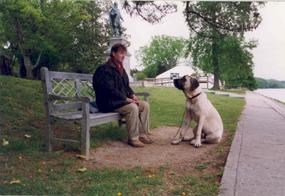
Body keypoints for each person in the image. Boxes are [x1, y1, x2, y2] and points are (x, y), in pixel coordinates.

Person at [93, 43, 153, 147]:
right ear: (113, 53)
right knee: (133, 107)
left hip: (119, 102)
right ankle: (133, 139)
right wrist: (126, 99)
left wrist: (132, 95)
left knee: (144, 105)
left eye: (124, 53)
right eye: (121, 53)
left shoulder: (121, 69)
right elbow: (110, 90)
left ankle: (143, 134)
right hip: (108, 103)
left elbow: (126, 87)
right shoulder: (104, 69)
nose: (123, 56)